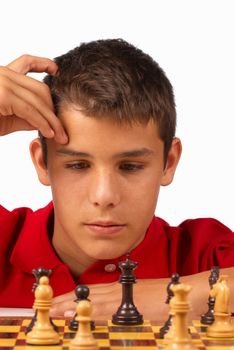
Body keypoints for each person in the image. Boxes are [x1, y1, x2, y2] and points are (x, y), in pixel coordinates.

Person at [0, 39, 233, 321]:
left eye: (130, 166)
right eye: (77, 165)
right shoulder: (5, 238)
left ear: (168, 162)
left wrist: (170, 295)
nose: (105, 195)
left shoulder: (201, 254)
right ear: (42, 162)